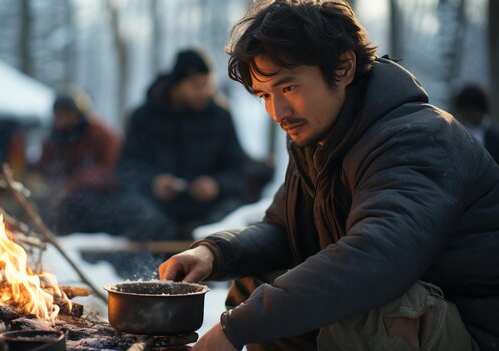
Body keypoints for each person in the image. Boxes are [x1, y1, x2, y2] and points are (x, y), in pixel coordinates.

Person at [159, 1, 499, 350]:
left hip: (472, 332)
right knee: (259, 280)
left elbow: (375, 259)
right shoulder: (319, 138)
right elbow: (283, 231)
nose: (278, 112)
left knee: (367, 313)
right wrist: (213, 253)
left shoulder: (416, 138)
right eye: (265, 95)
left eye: (289, 88)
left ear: (345, 66)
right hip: (419, 316)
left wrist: (235, 329)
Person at [117, 48, 248, 240]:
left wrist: (215, 185)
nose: (204, 92)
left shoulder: (221, 116)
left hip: (208, 208)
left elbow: (239, 170)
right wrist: (154, 182)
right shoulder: (144, 117)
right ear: (177, 85)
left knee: (232, 215)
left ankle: (207, 250)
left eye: (208, 85)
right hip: (159, 207)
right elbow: (128, 168)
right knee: (133, 209)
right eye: (196, 85)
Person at [31, 92, 122, 234]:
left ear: (79, 114)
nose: (61, 118)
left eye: (66, 113)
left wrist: (73, 183)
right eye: (58, 114)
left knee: (82, 205)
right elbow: (44, 166)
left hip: (100, 196)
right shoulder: (54, 138)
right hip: (63, 194)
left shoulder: (99, 134)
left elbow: (110, 168)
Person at [453, 85, 499, 163]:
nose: (468, 115)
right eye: (465, 111)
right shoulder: (453, 135)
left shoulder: (494, 138)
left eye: (472, 110)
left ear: (481, 110)